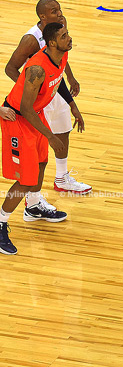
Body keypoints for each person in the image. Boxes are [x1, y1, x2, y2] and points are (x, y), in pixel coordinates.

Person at [2, 0, 90, 197]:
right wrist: (30, 91)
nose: (60, 14)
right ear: (42, 16)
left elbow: (60, 54)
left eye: (59, 9)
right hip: (37, 94)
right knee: (38, 150)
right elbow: (10, 68)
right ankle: (32, 201)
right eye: (54, 11)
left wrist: (69, 76)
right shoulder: (31, 39)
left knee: (64, 130)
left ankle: (61, 178)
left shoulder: (60, 26)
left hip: (54, 84)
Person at [0, 21, 71, 255]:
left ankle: (33, 207)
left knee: (41, 163)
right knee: (26, 179)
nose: (69, 38)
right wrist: (50, 136)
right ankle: (1, 222)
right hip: (19, 119)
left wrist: (73, 106)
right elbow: (25, 107)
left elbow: (56, 84)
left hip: (35, 116)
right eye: (64, 36)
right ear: (52, 43)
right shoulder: (37, 69)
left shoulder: (61, 57)